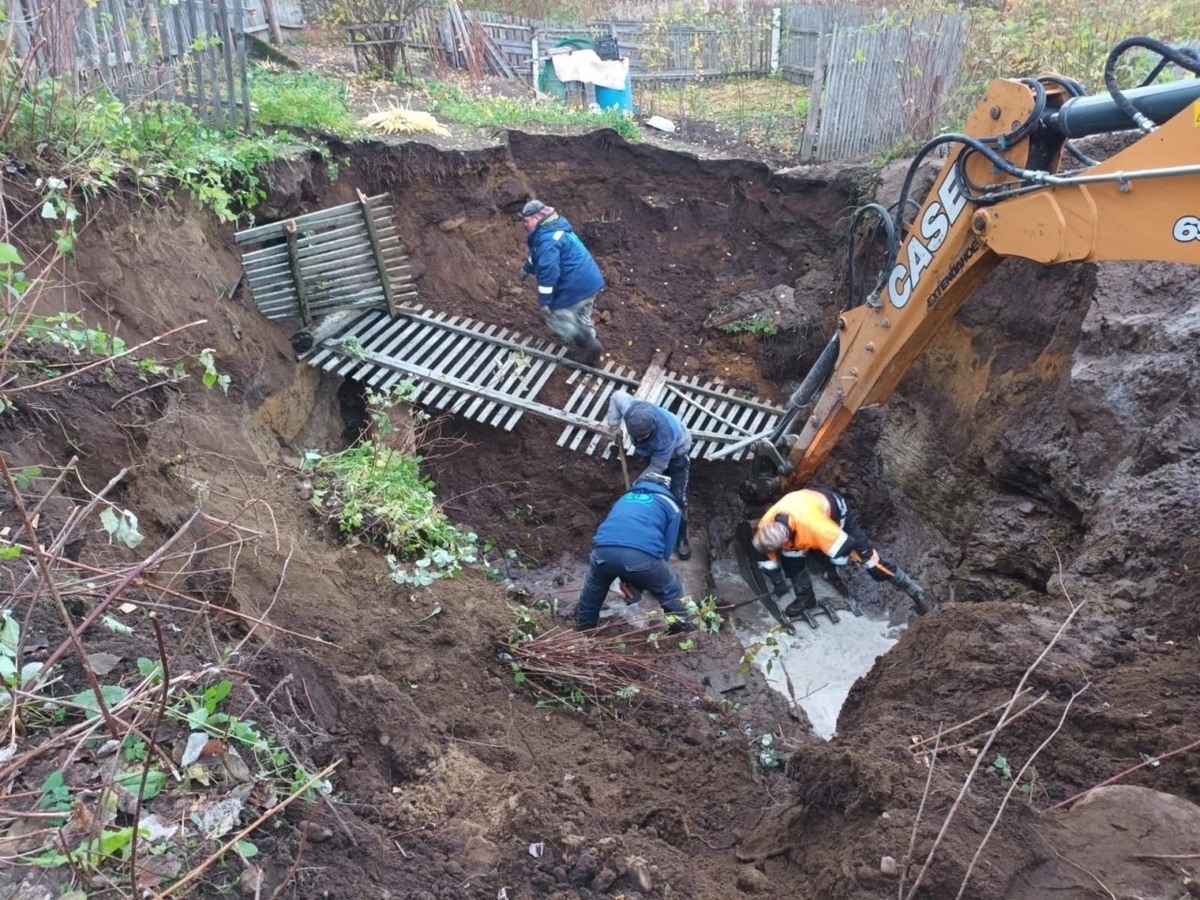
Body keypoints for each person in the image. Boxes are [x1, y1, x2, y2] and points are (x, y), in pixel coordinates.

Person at [749, 486, 933, 623]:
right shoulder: (766, 526)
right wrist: (777, 581)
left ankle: (917, 594)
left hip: (833, 510)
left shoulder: (817, 528)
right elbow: (766, 554)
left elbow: (845, 544)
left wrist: (832, 563)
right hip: (803, 503)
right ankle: (805, 598)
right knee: (791, 560)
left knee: (872, 563)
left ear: (784, 539)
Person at [576, 473, 694, 634]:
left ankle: (585, 628)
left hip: (602, 549)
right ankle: (680, 631)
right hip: (640, 554)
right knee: (671, 588)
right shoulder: (670, 504)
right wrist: (649, 576)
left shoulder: (623, 499)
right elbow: (666, 548)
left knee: (595, 586)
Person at [602, 391, 693, 560]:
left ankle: (681, 539)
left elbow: (658, 467)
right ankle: (652, 527)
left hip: (677, 456)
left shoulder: (664, 437)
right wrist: (614, 426)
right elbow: (615, 395)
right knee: (650, 493)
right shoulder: (631, 409)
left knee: (678, 498)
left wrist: (637, 485)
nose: (641, 439)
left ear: (652, 429)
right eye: (638, 437)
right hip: (653, 455)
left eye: (645, 436)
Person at [519, 199, 605, 367]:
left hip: (576, 286)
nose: (525, 225)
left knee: (556, 316)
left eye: (526, 221)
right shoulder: (555, 228)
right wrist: (528, 267)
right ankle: (590, 341)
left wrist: (545, 302)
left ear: (537, 218)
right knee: (581, 316)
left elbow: (549, 270)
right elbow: (539, 254)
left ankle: (591, 347)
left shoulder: (547, 239)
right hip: (590, 281)